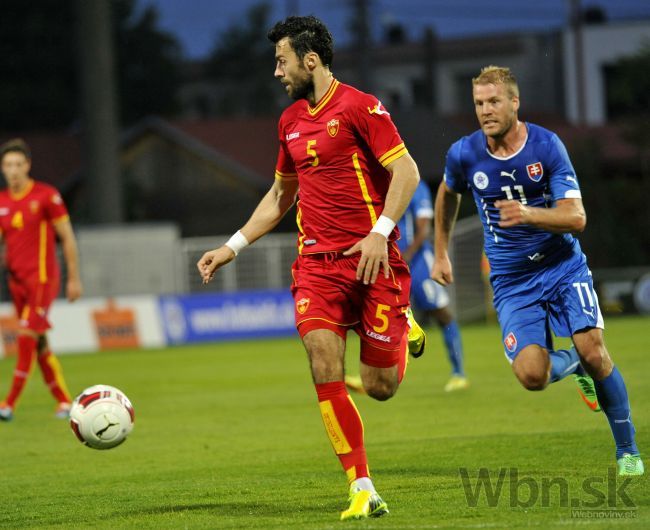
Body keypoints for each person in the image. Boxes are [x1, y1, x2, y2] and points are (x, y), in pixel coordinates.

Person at [197, 16, 426, 520]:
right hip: (316, 268)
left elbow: (405, 171)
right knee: (324, 363)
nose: (277, 72)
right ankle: (361, 486)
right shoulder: (290, 122)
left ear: (310, 60)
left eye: (282, 61)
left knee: (382, 387)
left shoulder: (362, 107)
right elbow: (281, 195)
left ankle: (403, 320)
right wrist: (231, 246)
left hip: (373, 260)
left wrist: (379, 233)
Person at [432, 65, 643, 476]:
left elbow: (577, 217)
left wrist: (529, 213)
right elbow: (447, 192)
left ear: (514, 102)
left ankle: (628, 452)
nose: (485, 111)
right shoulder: (464, 153)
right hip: (512, 282)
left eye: (494, 101)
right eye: (478, 103)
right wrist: (442, 252)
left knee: (595, 352)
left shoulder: (547, 147)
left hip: (562, 267)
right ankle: (573, 365)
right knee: (532, 376)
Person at [0, 138, 82, 421]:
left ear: (28, 166)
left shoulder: (46, 196)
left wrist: (74, 277)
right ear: (2, 167)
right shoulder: (2, 202)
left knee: (25, 337)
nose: (13, 170)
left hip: (43, 280)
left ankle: (8, 403)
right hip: (17, 284)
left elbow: (67, 238)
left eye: (18, 164)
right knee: (40, 343)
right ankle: (63, 401)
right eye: (8, 165)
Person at [397, 180, 467, 391]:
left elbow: (424, 226)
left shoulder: (414, 185)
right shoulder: (375, 183)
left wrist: (407, 255)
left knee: (442, 314)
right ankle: (377, 375)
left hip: (417, 262)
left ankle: (458, 373)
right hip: (389, 261)